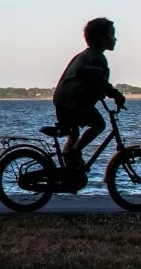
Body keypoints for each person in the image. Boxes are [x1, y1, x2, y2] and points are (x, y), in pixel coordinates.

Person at [52, 17, 126, 168]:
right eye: (112, 34)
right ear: (101, 38)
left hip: (64, 102)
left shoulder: (85, 55)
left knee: (74, 135)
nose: (115, 38)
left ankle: (70, 168)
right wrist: (115, 94)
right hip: (74, 103)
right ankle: (72, 154)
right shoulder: (94, 58)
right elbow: (98, 80)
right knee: (99, 124)